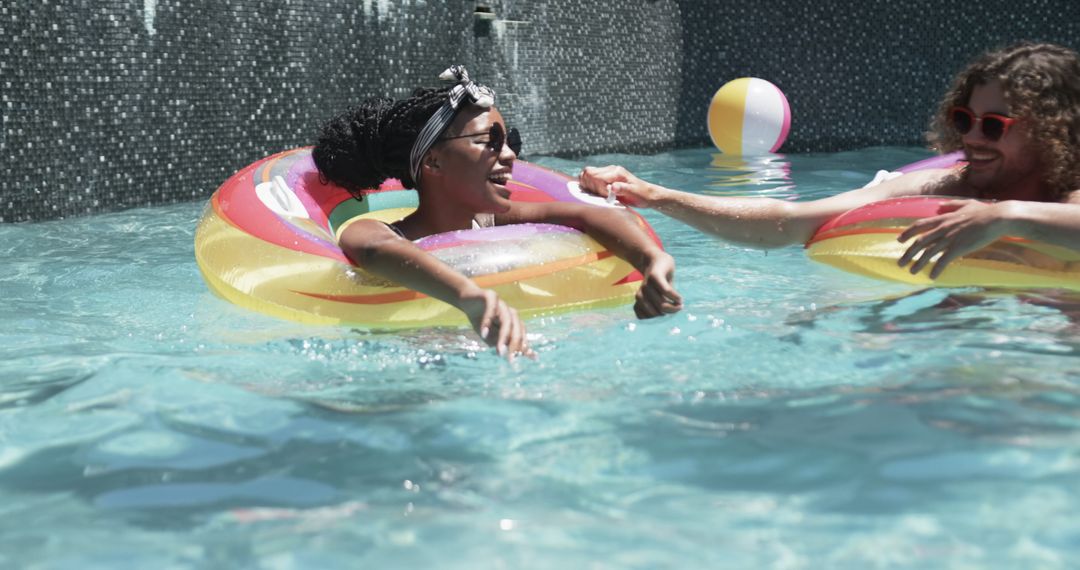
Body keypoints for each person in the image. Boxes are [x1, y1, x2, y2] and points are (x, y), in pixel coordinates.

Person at [580, 42, 1080, 279]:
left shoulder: (1067, 193)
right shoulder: (949, 188)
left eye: (994, 125)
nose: (972, 137)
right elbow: (788, 221)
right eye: (964, 118)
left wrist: (1005, 216)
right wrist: (658, 194)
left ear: (1053, 131)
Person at [313, 66, 682, 361]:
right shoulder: (378, 231)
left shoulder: (491, 223)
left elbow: (585, 216)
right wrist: (469, 295)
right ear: (434, 161)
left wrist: (652, 259)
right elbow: (376, 251)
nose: (509, 156)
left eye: (509, 142)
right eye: (489, 142)